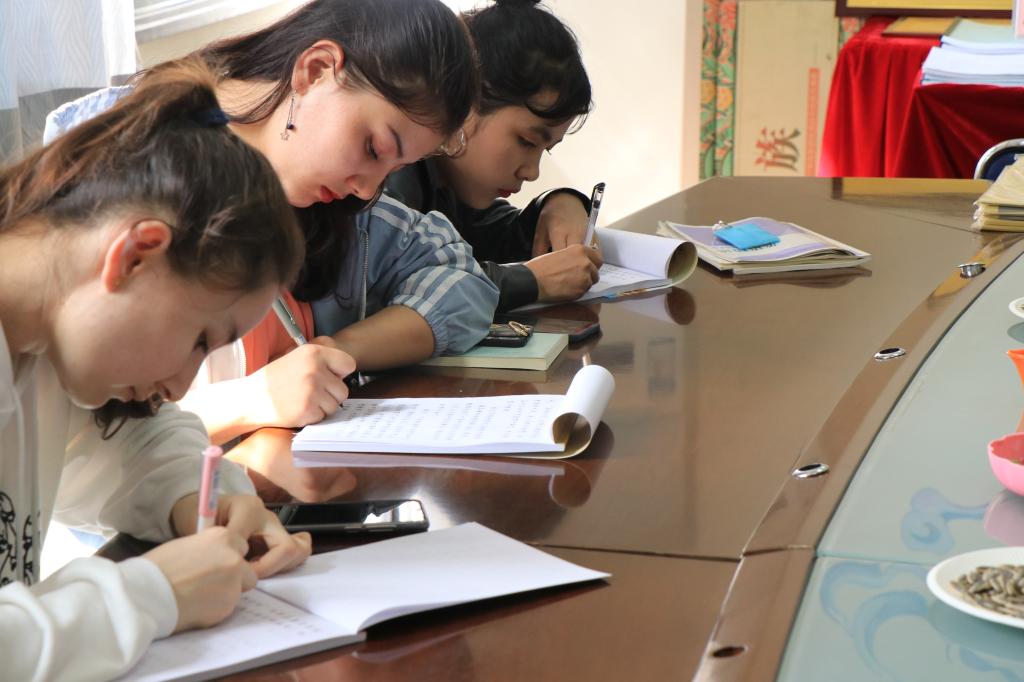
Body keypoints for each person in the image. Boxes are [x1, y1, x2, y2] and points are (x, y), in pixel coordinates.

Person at [44, 0, 499, 447]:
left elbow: (458, 273)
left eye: (393, 169)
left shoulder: (327, 202)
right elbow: (78, 442)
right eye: (374, 149)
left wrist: (339, 349)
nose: (366, 190)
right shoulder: (115, 175)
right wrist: (250, 400)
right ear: (316, 71)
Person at [0, 59, 313, 680]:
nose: (179, 386)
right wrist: (150, 594)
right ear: (136, 255)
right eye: (199, 340)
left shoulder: (40, 345)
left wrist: (206, 499)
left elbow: (131, 443)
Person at [383, 0, 599, 312]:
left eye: (546, 149)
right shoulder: (390, 175)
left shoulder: (450, 179)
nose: (532, 172)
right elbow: (404, 287)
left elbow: (491, 238)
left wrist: (557, 204)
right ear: (466, 99)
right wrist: (530, 281)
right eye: (527, 141)